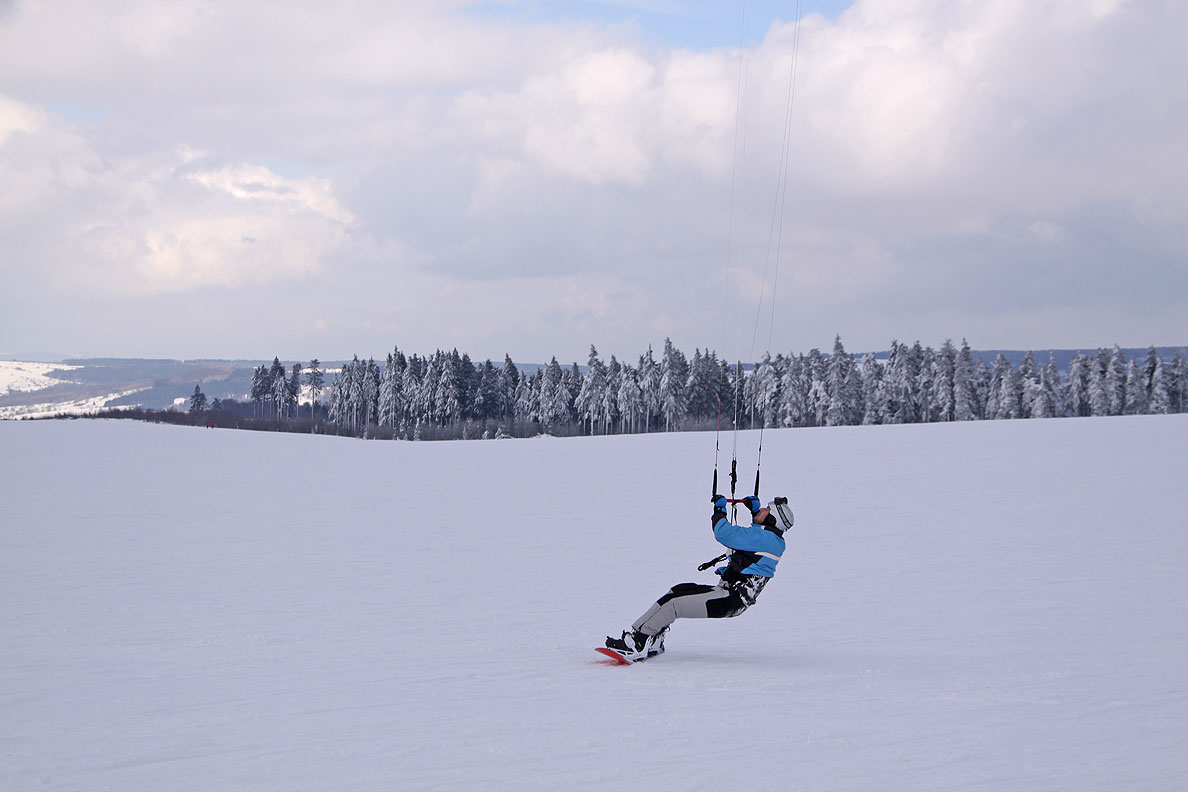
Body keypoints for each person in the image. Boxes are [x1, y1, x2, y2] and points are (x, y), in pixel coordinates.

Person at [605, 493, 794, 662]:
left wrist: (719, 511)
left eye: (766, 509)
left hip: (729, 599)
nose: (762, 508)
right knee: (678, 590)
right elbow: (754, 538)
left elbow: (723, 533)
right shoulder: (773, 540)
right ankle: (653, 641)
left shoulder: (764, 539)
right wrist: (755, 514)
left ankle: (637, 643)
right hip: (729, 597)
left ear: (771, 519)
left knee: (673, 603)